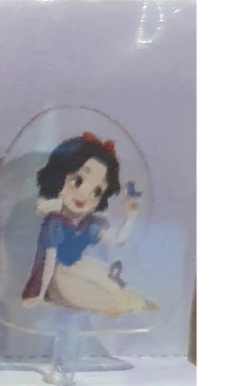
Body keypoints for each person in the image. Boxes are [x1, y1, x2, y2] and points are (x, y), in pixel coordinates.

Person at [22, 133, 156, 315]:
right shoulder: (55, 223)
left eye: (97, 191)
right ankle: (126, 306)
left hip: (80, 268)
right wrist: (41, 295)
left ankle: (136, 303)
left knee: (110, 282)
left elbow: (118, 239)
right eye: (78, 181)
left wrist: (131, 216)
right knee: (99, 297)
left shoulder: (89, 223)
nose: (85, 195)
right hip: (59, 278)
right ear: (59, 177)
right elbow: (49, 262)